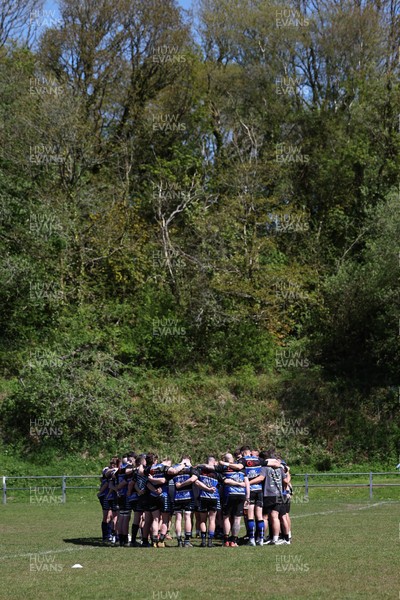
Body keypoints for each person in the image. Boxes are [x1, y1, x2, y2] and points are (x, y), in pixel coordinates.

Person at [195, 456, 224, 547]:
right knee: (212, 520)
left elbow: (196, 482)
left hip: (203, 497)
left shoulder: (200, 470)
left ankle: (203, 541)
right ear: (214, 462)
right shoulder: (217, 472)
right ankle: (210, 541)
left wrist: (206, 488)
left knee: (202, 520)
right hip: (214, 498)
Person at [172, 455, 199, 547]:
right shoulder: (191, 469)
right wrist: (183, 485)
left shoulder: (176, 469)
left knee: (178, 519)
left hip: (177, 496)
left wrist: (179, 485)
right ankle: (187, 541)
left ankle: (179, 540)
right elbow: (193, 479)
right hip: (188, 496)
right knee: (188, 517)